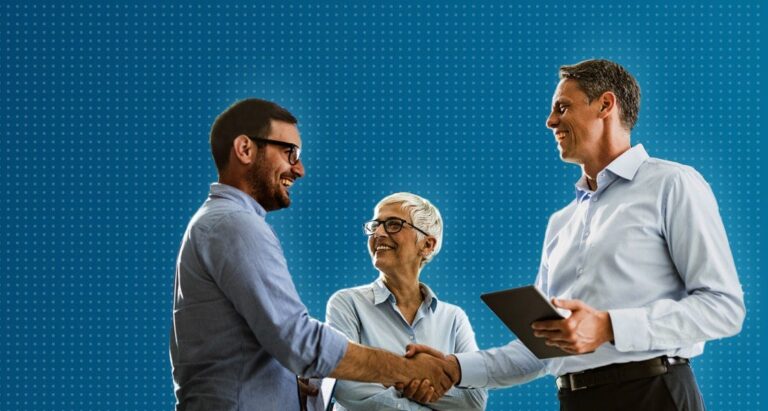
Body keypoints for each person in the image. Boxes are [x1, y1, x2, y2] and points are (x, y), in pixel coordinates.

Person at [404, 59, 745, 410]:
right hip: (575, 400)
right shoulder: (561, 223)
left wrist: (610, 326)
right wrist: (454, 368)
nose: (550, 121)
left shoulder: (672, 184)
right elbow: (541, 351)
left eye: (562, 107)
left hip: (653, 394)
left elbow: (723, 307)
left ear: (606, 105)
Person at [169, 99, 458, 411]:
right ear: (245, 149)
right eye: (289, 152)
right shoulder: (234, 224)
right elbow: (299, 341)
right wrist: (405, 370)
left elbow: (265, 344)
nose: (300, 169)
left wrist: (293, 380)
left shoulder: (222, 223)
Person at [327, 193, 488, 410]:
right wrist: (419, 381)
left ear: (427, 245)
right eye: (375, 225)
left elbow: (475, 400)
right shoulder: (347, 304)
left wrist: (391, 379)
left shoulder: (454, 318)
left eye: (394, 224)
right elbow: (345, 384)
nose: (379, 233)